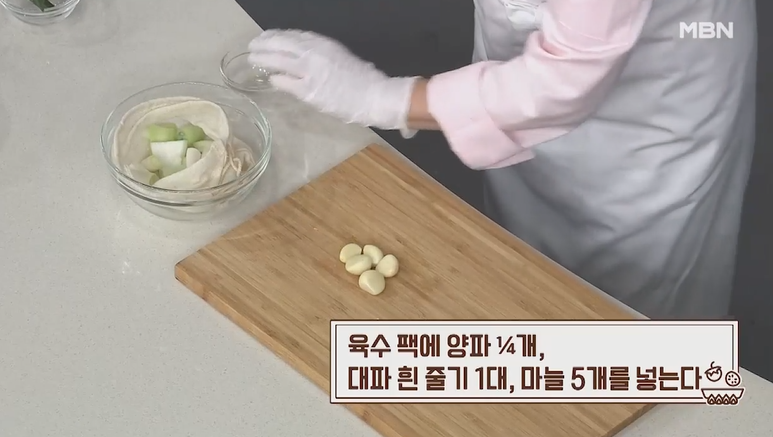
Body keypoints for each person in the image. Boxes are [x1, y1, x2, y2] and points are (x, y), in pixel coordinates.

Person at [247, 0, 757, 319]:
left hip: (649, 101)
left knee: (627, 308)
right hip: (533, 45)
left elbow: (568, 75)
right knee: (519, 262)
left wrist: (387, 100)